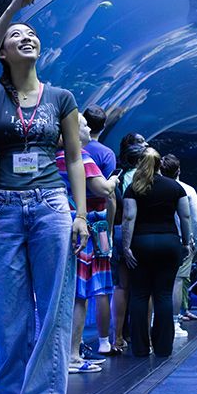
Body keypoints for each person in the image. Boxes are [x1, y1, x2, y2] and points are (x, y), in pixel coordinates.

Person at [0, 0, 90, 394]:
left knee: (55, 309)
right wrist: (12, 10)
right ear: (4, 50)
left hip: (50, 205)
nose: (26, 38)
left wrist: (80, 214)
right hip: (2, 207)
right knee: (8, 312)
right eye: (16, 36)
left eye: (31, 35)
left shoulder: (62, 97)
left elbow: (76, 160)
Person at [56, 114, 118, 374]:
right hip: (80, 230)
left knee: (59, 294)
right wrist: (115, 179)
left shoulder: (52, 157)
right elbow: (104, 189)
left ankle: (59, 354)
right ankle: (72, 354)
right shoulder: (81, 156)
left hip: (55, 225)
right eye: (82, 124)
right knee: (80, 294)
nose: (87, 127)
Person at [122, 148, 192, 357]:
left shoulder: (134, 188)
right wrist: (186, 243)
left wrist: (126, 246)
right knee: (163, 295)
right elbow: (185, 217)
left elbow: (128, 218)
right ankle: (163, 347)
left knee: (139, 295)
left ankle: (140, 348)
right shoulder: (175, 187)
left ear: (140, 164)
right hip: (169, 243)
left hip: (141, 244)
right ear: (160, 164)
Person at [81, 105, 119, 356]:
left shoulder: (75, 151)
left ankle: (74, 341)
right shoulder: (106, 154)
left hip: (77, 215)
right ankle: (104, 341)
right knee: (103, 283)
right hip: (101, 220)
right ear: (104, 127)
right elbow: (110, 195)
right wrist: (111, 230)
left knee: (78, 280)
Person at [110, 133, 147, 351]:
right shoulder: (146, 177)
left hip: (118, 232)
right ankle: (141, 336)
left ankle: (118, 336)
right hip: (141, 233)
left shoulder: (117, 174)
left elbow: (113, 205)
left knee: (121, 286)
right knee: (143, 287)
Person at [160, 154, 197, 336]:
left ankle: (155, 320)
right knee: (177, 281)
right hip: (181, 242)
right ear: (178, 170)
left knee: (158, 281)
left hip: (156, 239)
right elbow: (193, 218)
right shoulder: (187, 190)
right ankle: (174, 323)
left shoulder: (153, 187)